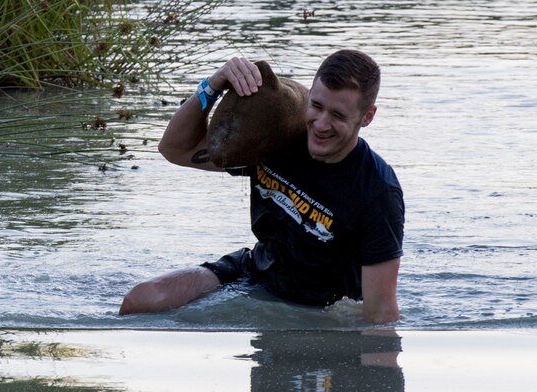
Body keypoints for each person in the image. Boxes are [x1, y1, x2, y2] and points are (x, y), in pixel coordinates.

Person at [119, 50, 404, 324]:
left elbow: (380, 315)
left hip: (320, 307)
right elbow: (174, 149)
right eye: (316, 106)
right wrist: (213, 85)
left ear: (366, 117)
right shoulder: (278, 138)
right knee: (141, 299)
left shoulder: (377, 192)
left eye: (338, 116)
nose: (321, 124)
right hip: (253, 273)